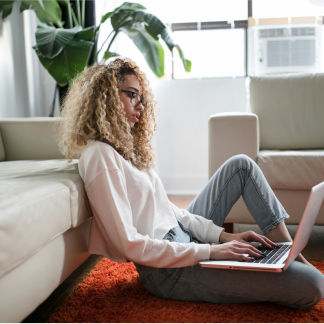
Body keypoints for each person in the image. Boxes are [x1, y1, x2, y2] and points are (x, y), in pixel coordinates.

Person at [56, 58, 324, 309]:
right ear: (106, 97)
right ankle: (287, 262)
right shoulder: (100, 156)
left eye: (142, 97)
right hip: (168, 271)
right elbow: (129, 244)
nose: (140, 105)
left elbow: (171, 211)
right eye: (132, 94)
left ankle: (289, 253)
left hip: (185, 240)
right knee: (313, 286)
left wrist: (223, 237)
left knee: (241, 165)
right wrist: (211, 251)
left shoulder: (128, 149)